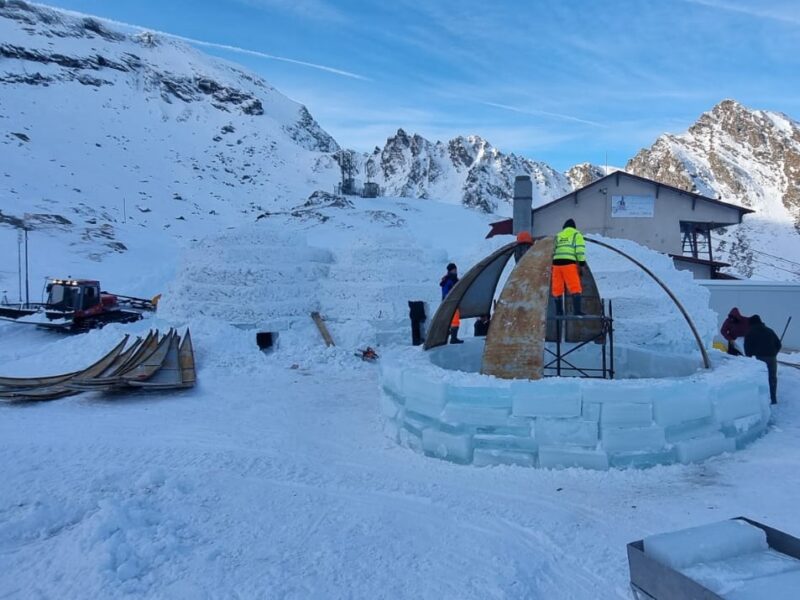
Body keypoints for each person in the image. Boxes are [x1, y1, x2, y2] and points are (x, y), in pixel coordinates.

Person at [551, 218, 586, 316]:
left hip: (556, 264)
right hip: (568, 263)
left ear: (564, 227)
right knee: (575, 287)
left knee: (557, 288)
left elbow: (552, 249)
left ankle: (559, 312)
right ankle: (577, 311)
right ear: (574, 227)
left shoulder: (559, 235)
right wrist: (582, 265)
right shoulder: (576, 234)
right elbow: (580, 250)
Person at [744, 314, 782, 404]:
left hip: (759, 359)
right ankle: (773, 399)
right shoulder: (770, 331)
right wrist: (773, 354)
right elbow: (779, 345)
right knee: (772, 378)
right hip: (771, 358)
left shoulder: (750, 332)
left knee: (761, 378)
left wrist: (749, 357)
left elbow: (747, 348)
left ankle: (762, 400)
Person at [440, 262, 463, 344]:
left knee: (453, 320)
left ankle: (452, 337)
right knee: (454, 320)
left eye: (455, 269)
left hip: (454, 302)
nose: (455, 271)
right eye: (453, 270)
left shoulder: (455, 279)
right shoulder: (448, 280)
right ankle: (453, 338)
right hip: (450, 303)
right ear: (450, 271)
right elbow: (446, 292)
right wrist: (448, 301)